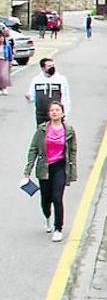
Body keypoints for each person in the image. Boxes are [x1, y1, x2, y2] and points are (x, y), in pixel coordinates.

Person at [23, 100, 77, 242]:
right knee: (46, 199)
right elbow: (33, 149)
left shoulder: (69, 130)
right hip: (44, 167)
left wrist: (72, 171)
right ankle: (47, 216)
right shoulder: (42, 130)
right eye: (52, 110)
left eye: (57, 110)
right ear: (49, 113)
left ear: (62, 113)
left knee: (57, 198)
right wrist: (27, 171)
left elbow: (72, 151)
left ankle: (58, 228)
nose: (54, 112)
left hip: (60, 167)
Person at [26, 57, 71, 124]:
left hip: (56, 115)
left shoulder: (61, 80)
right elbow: (32, 97)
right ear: (43, 68)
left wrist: (65, 113)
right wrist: (29, 97)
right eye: (49, 66)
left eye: (53, 65)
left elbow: (65, 97)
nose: (52, 68)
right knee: (42, 134)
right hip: (41, 116)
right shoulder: (36, 80)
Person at [0, 27, 12, 96]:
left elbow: (10, 55)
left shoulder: (7, 46)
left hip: (5, 61)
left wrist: (10, 62)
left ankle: (4, 88)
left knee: (4, 75)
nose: (1, 39)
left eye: (2, 37)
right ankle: (0, 88)